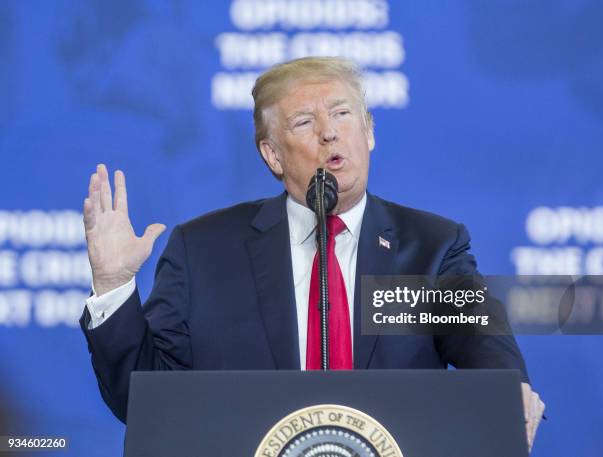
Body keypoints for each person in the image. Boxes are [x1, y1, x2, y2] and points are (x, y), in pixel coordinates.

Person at [81, 57, 545, 450]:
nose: (328, 134)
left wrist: (510, 392)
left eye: (342, 115)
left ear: (369, 132)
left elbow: (484, 345)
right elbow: (143, 398)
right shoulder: (203, 251)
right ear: (272, 155)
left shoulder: (430, 247)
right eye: (304, 122)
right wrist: (113, 285)